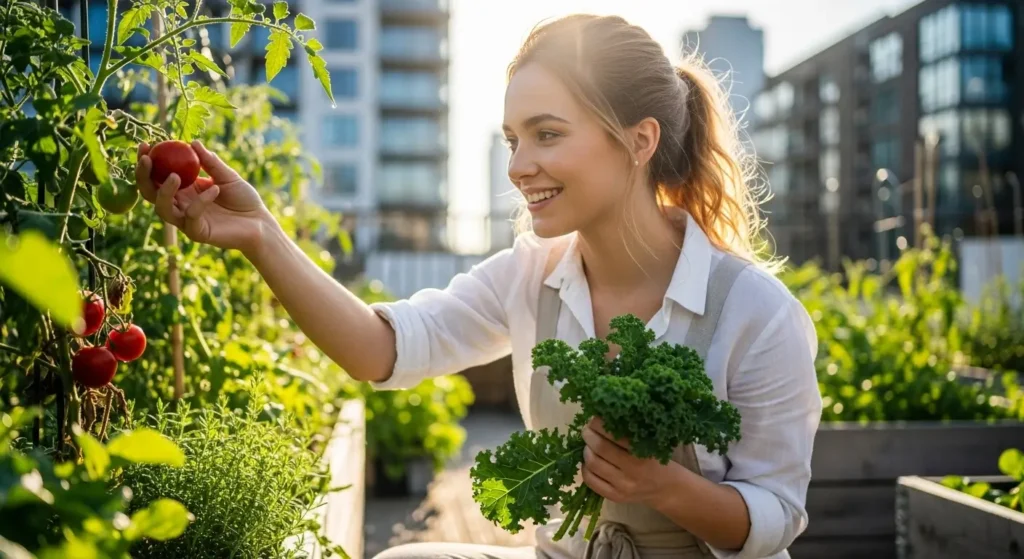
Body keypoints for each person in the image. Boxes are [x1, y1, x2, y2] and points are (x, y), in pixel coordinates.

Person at [134, 13, 822, 559]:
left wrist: (665, 487)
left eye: (546, 134)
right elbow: (384, 349)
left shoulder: (756, 313)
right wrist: (261, 235)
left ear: (639, 141)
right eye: (511, 139)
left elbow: (775, 517)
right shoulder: (531, 271)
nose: (520, 166)